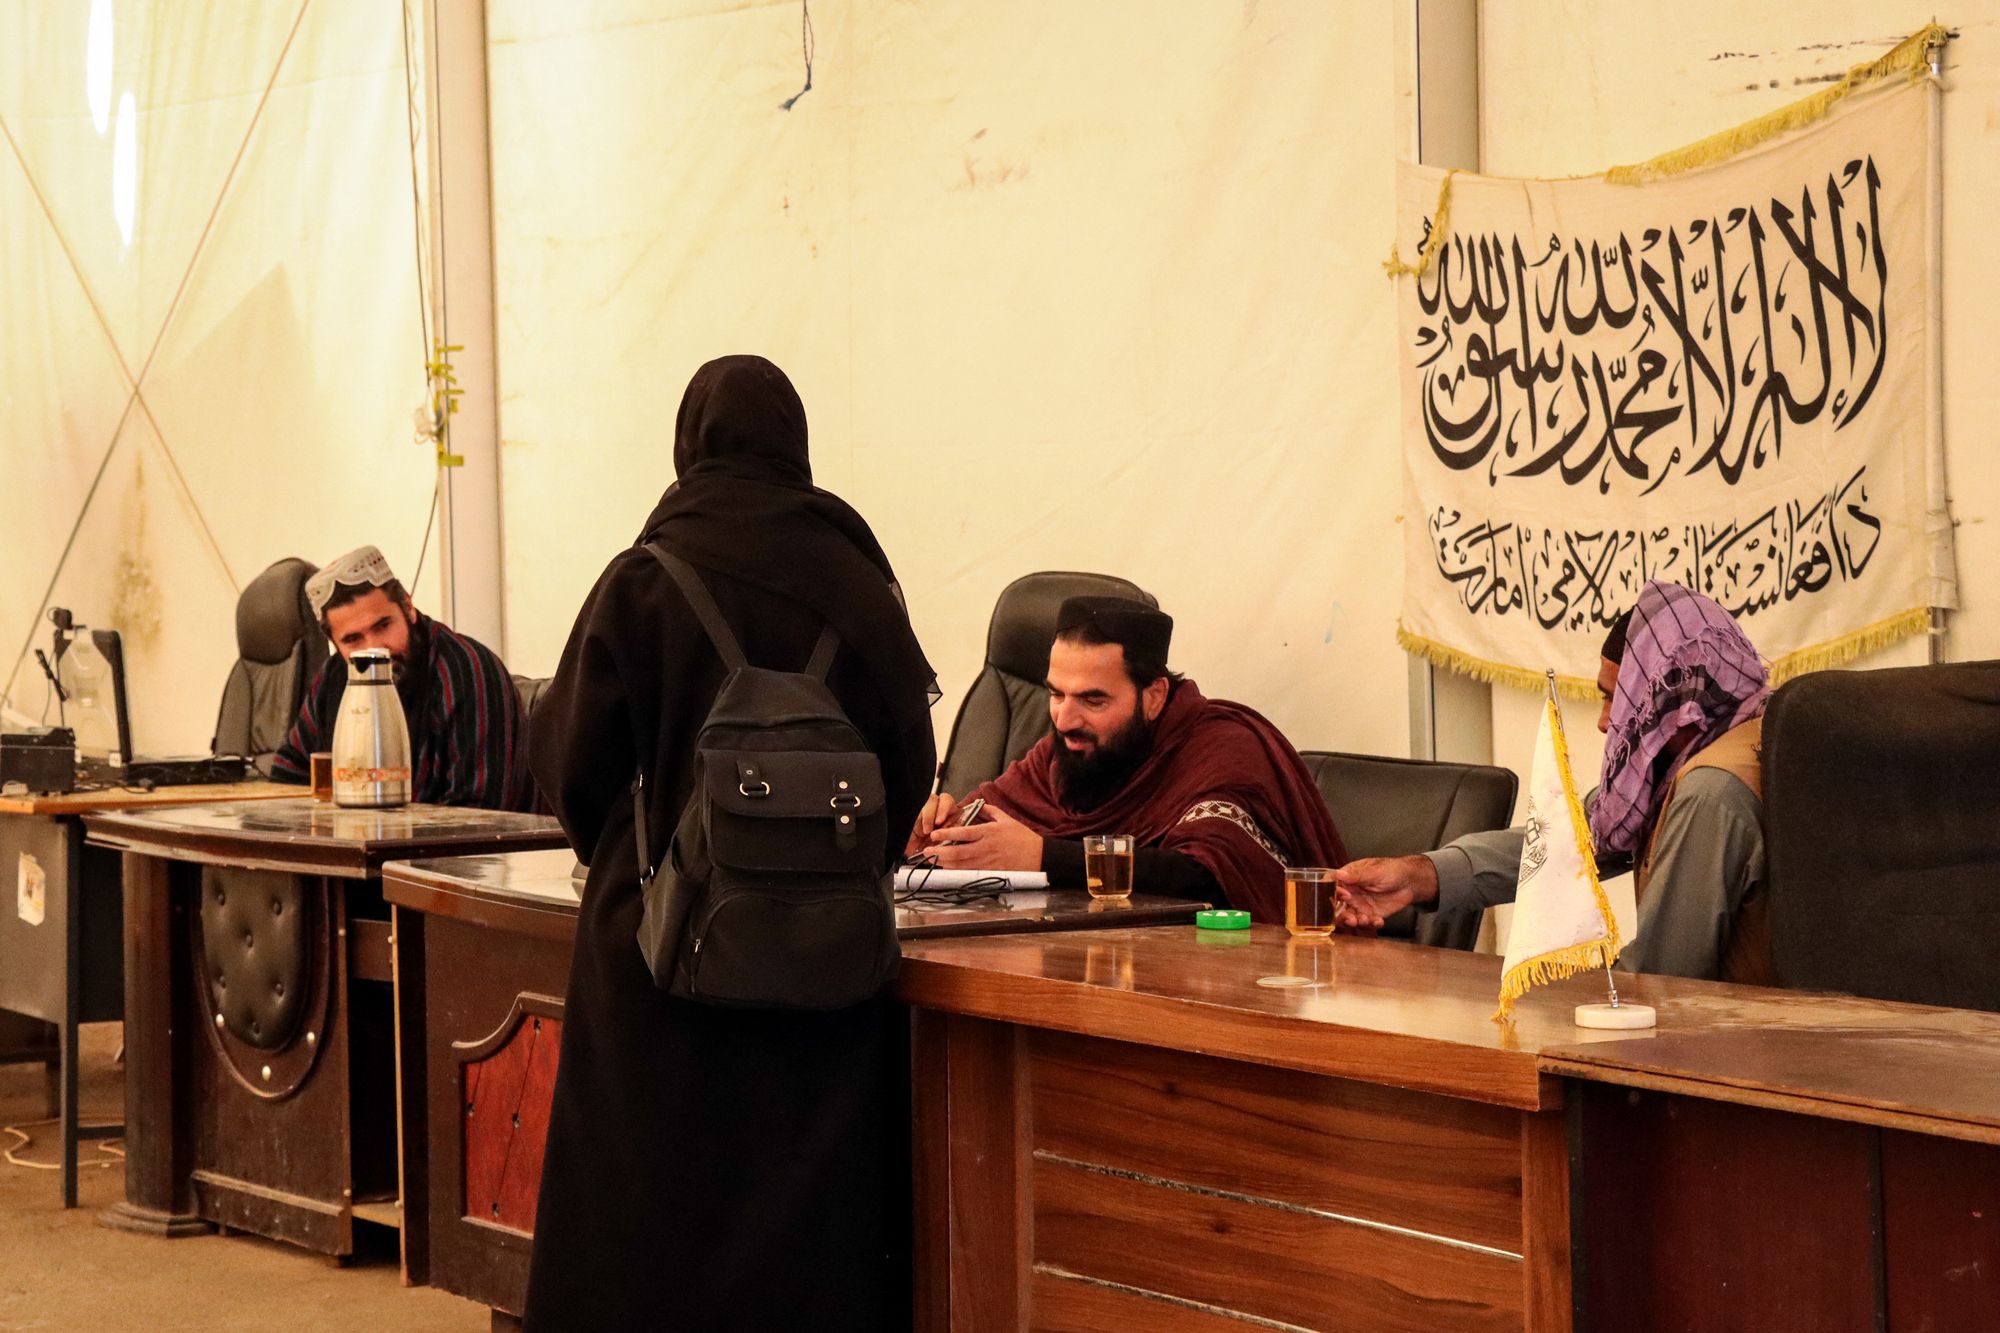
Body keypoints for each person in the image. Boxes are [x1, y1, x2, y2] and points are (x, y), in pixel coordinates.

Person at [523, 356, 938, 1332]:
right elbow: (908, 764)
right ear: (794, 445)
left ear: (688, 442)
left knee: (644, 1222)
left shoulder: (645, 576)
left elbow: (569, 760)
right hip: (824, 965)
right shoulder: (857, 579)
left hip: (655, 961)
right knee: (809, 1233)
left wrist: (637, 851)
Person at [1335, 581, 1772, 982]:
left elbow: (1660, 978)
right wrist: (1416, 876)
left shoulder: (1710, 790)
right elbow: (1569, 842)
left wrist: (1536, 993)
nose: (1606, 723)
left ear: (1680, 695)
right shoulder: (1727, 741)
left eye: (1619, 702)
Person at [912, 595, 1344, 923]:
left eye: (1092, 700)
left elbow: (1211, 873)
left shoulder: (1221, 747)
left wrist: (1045, 857)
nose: (1064, 719)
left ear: (1154, 697)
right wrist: (935, 836)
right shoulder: (1065, 752)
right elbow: (988, 823)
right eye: (1056, 694)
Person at [270, 545, 534, 811]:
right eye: (352, 639)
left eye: (383, 626)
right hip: (361, 847)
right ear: (334, 643)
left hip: (449, 851)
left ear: (408, 607)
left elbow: (480, 816)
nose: (373, 649)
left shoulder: (468, 671)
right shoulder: (335, 676)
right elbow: (289, 773)